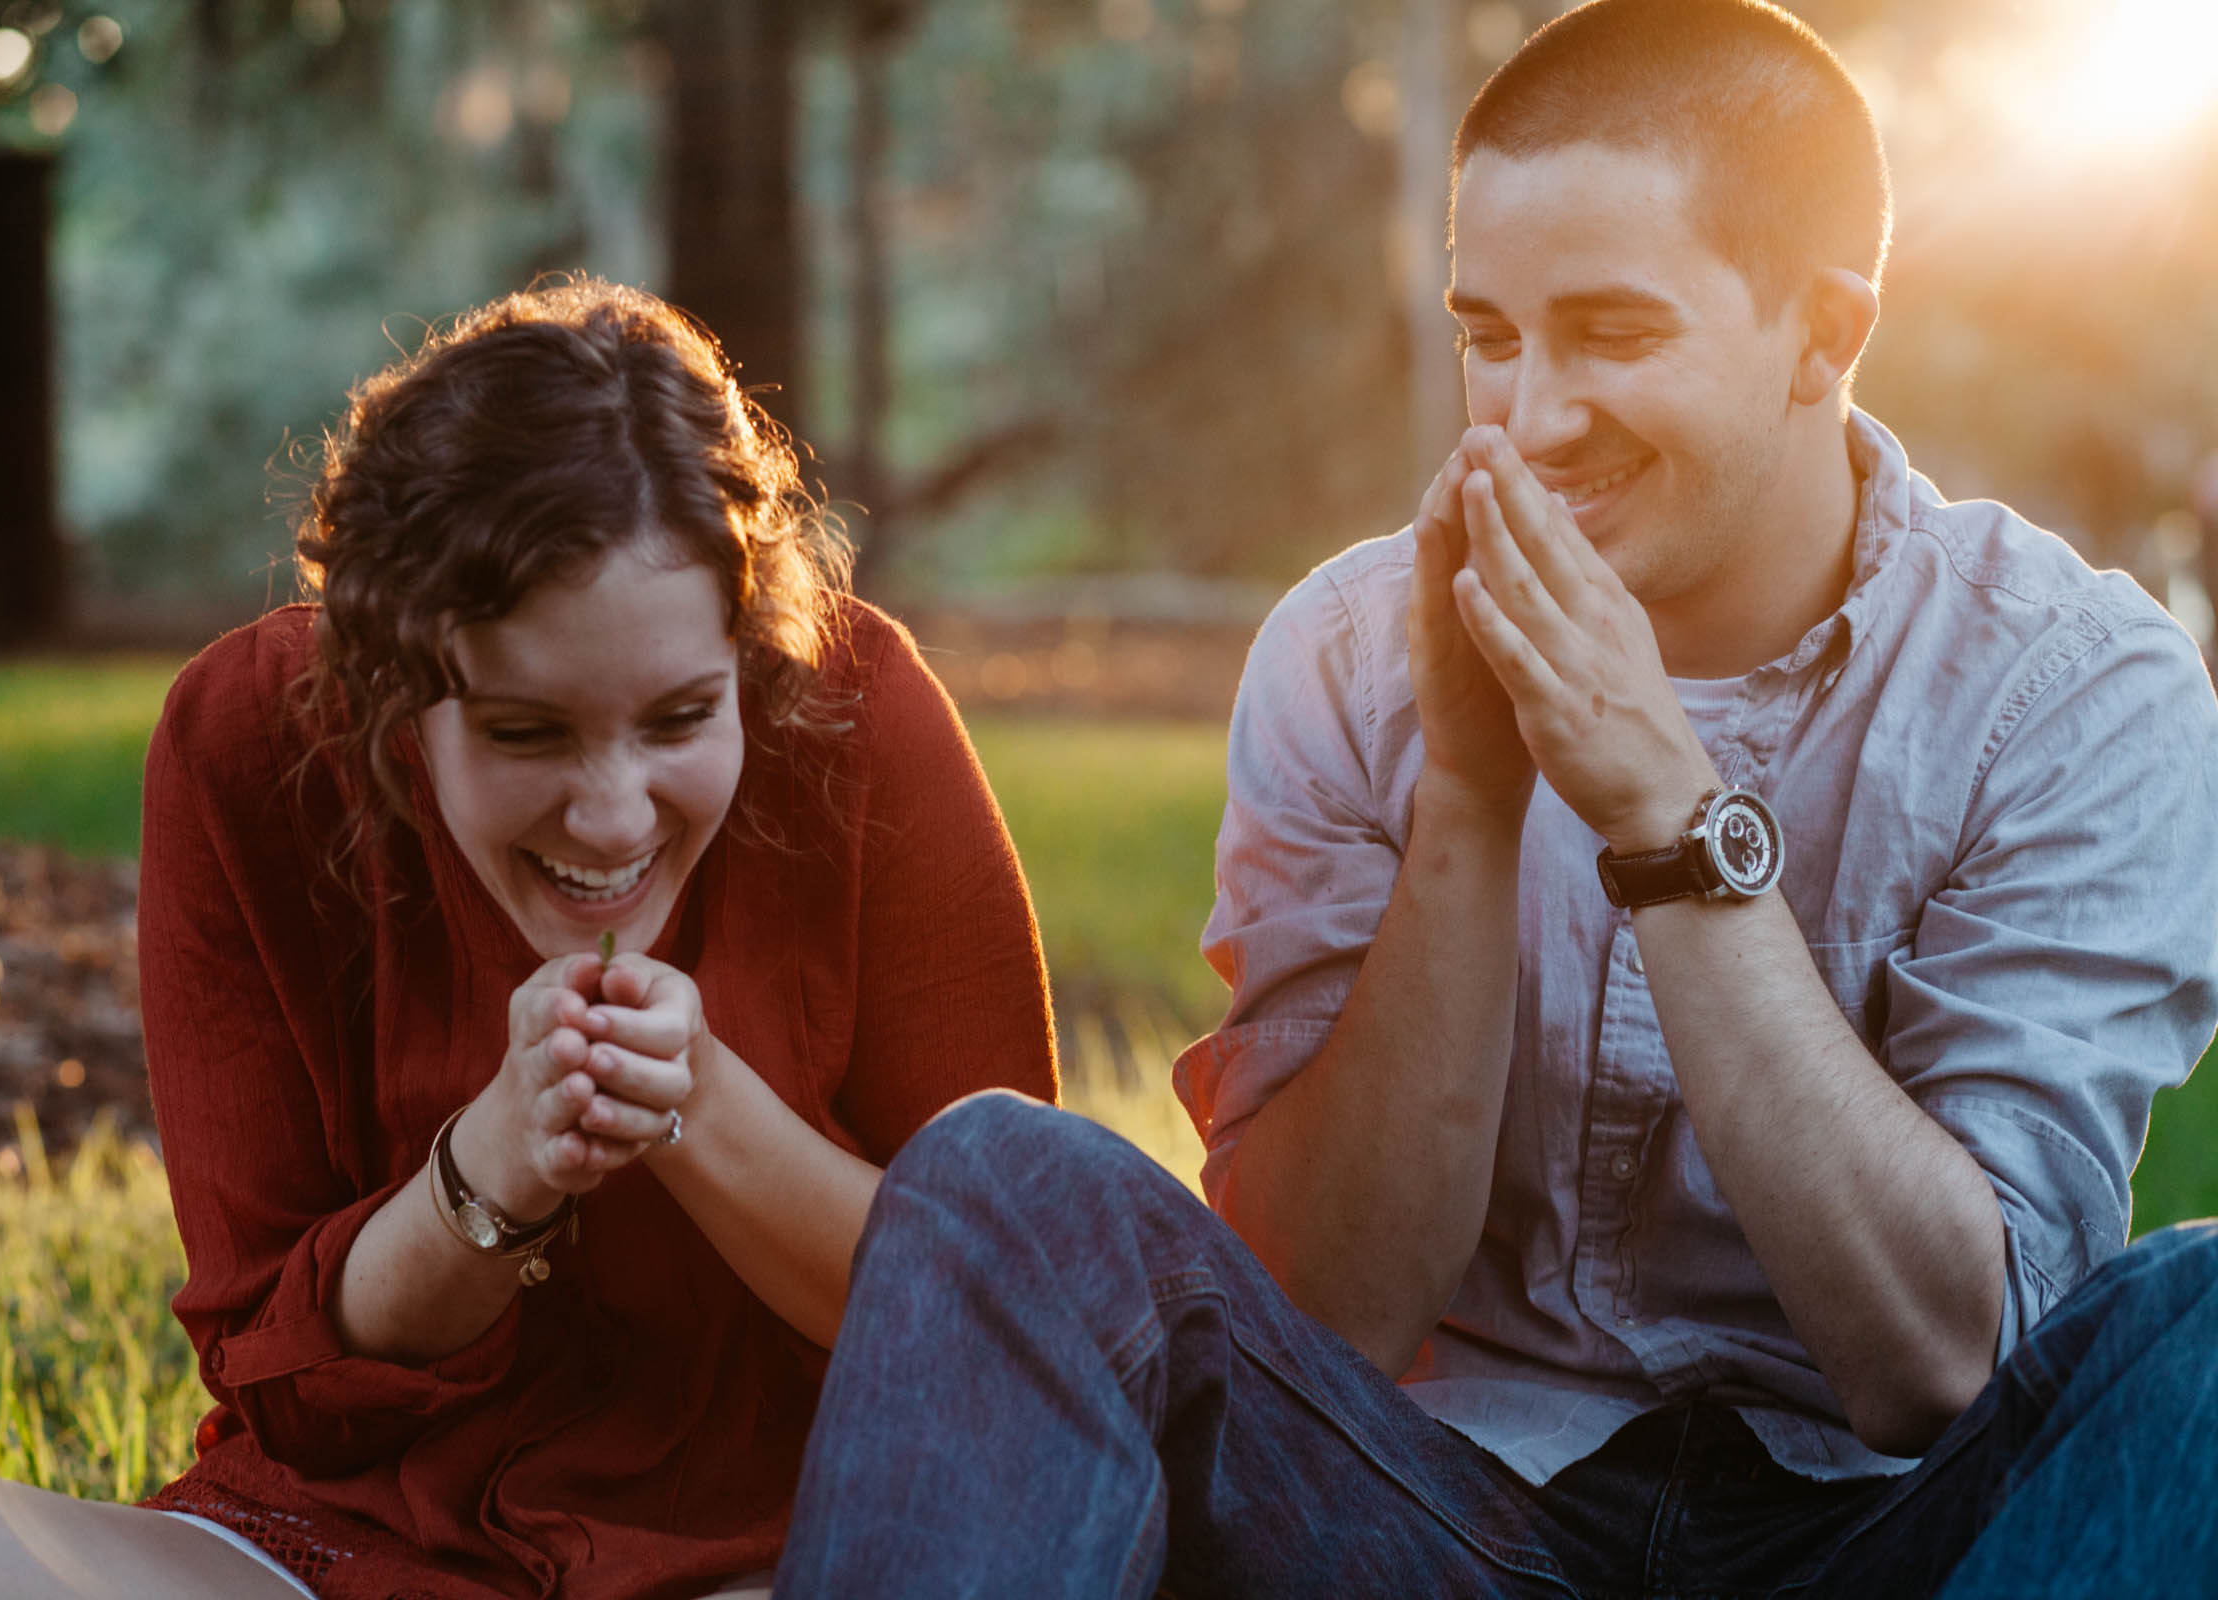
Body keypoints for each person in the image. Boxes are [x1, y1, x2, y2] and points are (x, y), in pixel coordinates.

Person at [768, 2, 2218, 1596]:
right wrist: (1469, 791)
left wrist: (1667, 814)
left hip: (1898, 1537)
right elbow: (1322, 1317)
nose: (1529, 419)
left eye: (1612, 333)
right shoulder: (1349, 652)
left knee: (2204, 1318)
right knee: (1002, 1178)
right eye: (1491, 335)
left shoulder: (2078, 693)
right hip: (1434, 1516)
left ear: (1824, 332)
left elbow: (1940, 1361)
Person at [0, 278, 1057, 1598]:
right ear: (389, 688)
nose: (614, 811)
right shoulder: (243, 744)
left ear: (748, 661)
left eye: (683, 718)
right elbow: (277, 1372)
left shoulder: (860, 718)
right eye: (527, 730)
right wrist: (488, 1173)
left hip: (781, 1553)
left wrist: (693, 1100)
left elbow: (1016, 1341)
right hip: (344, 1549)